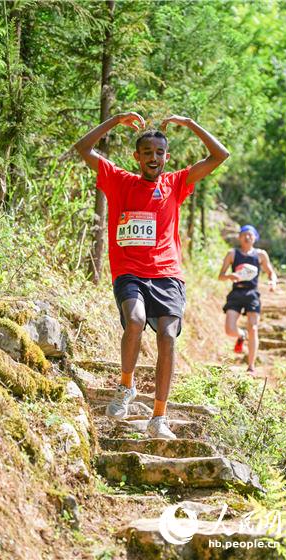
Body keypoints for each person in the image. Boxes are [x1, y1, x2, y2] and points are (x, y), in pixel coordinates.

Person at [75, 111, 229, 439]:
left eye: (160, 153)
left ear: (166, 157)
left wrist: (189, 125)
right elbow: (83, 149)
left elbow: (220, 155)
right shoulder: (119, 180)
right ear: (137, 157)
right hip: (129, 272)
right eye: (147, 153)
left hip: (167, 275)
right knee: (134, 320)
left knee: (167, 337)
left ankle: (159, 416)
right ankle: (126, 387)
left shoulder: (175, 183)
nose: (154, 158)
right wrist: (115, 120)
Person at [218, 224, 277, 374]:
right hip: (236, 293)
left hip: (252, 294)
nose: (247, 236)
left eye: (251, 234)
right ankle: (241, 335)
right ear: (239, 237)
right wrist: (229, 276)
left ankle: (251, 366)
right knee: (229, 330)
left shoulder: (260, 255)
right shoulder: (232, 254)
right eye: (244, 234)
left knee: (254, 328)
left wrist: (273, 282)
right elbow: (221, 276)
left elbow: (271, 272)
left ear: (255, 238)